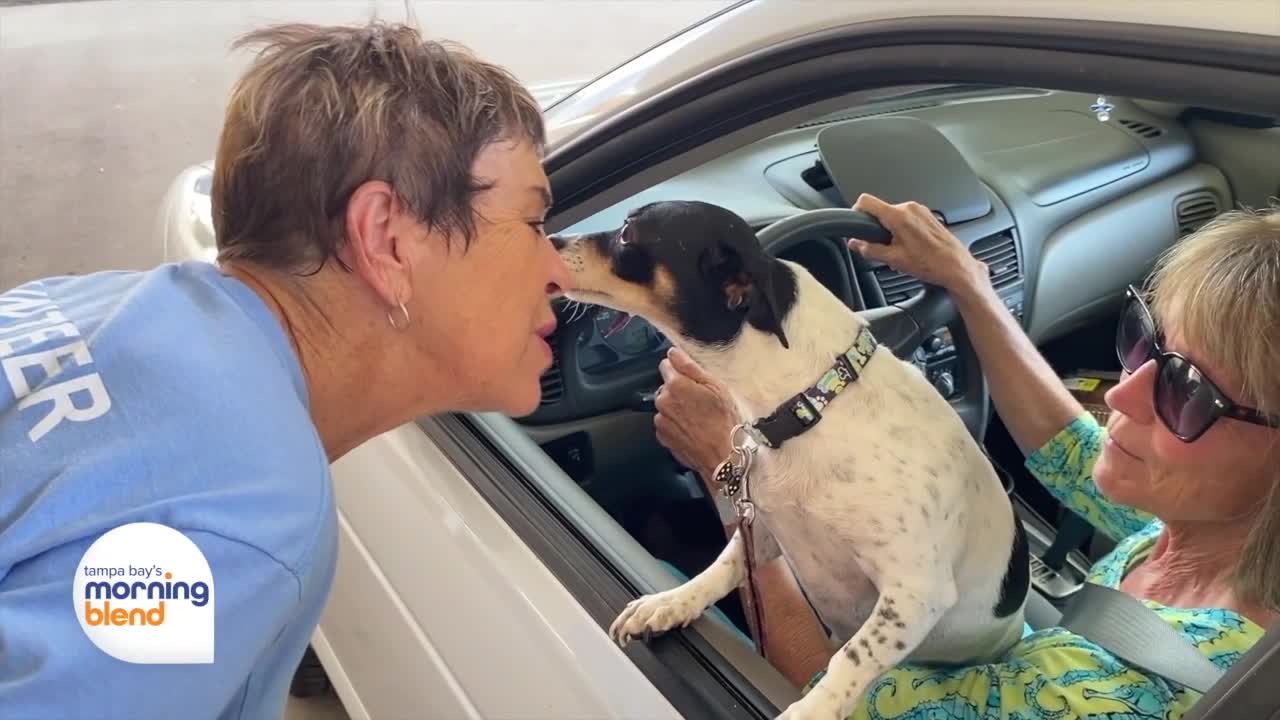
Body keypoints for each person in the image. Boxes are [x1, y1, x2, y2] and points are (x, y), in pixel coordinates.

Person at [0, 21, 569, 720]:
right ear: (386, 240)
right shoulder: (244, 510)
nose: (560, 271)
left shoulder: (82, 304)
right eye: (534, 223)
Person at [653, 193, 1280, 718]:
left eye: (1185, 389)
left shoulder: (1108, 698)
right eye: (1147, 341)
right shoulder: (1220, 525)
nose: (1121, 393)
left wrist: (731, 469)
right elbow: (1074, 452)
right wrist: (968, 282)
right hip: (1003, 637)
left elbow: (833, 698)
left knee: (658, 586)